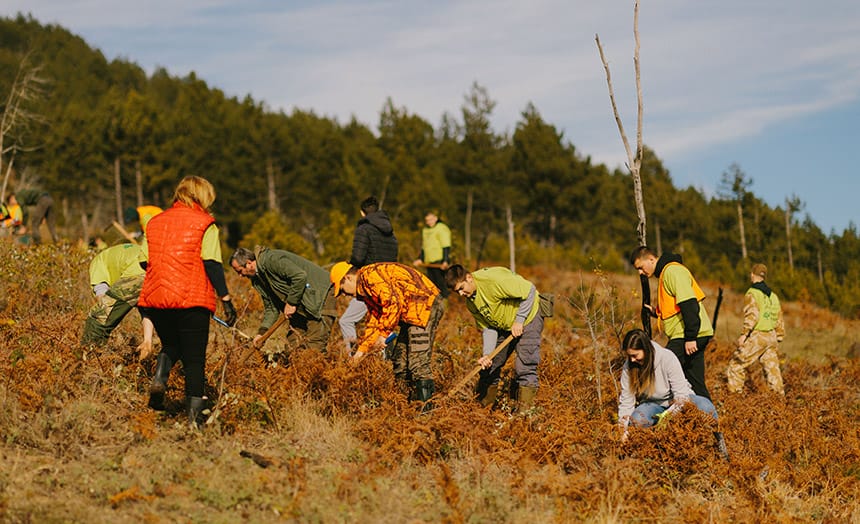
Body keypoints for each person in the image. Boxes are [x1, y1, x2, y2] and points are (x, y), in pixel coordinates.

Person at [138, 176, 236, 428]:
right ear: (202, 196)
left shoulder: (154, 222)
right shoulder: (206, 224)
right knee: (194, 361)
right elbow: (212, 264)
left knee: (172, 343)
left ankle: (160, 375)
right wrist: (226, 299)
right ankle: (195, 424)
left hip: (157, 299)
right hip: (192, 301)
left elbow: (144, 260)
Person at [330, 261, 443, 407]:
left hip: (424, 306)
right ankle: (405, 407)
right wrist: (359, 353)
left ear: (348, 278)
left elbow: (393, 303)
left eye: (343, 290)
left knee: (418, 363)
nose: (345, 295)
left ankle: (426, 413)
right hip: (411, 313)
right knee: (400, 363)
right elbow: (373, 322)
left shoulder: (370, 277)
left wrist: (383, 335)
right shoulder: (366, 290)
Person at [445, 264, 546, 412]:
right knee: (489, 366)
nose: (460, 294)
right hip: (504, 324)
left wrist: (519, 320)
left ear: (469, 278)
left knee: (524, 367)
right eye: (457, 292)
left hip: (529, 316)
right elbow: (488, 328)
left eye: (461, 288)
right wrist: (487, 354)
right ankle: (481, 413)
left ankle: (524, 418)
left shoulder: (493, 280)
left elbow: (529, 290)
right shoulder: (471, 302)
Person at [617, 329, 728, 458]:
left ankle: (719, 443)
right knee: (637, 420)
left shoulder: (667, 358)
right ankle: (642, 455)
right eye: (629, 356)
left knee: (706, 406)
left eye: (635, 355)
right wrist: (623, 430)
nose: (632, 360)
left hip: (677, 400)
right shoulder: (629, 367)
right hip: (651, 404)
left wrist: (666, 418)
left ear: (646, 349)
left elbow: (681, 396)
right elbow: (626, 400)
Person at [630, 246, 714, 400]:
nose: (640, 273)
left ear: (651, 259)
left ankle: (653, 409)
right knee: (695, 382)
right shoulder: (665, 275)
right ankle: (708, 418)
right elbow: (674, 307)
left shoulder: (672, 272)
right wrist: (655, 312)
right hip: (690, 333)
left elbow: (689, 303)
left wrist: (690, 337)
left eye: (640, 267)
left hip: (686, 335)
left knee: (661, 368)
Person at [230, 246, 336, 359]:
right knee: (293, 349)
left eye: (240, 271)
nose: (240, 276)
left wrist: (291, 302)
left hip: (320, 296)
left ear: (248, 263)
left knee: (314, 350)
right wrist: (262, 333)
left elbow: (299, 276)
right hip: (301, 306)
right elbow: (271, 308)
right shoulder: (257, 280)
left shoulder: (272, 260)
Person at [339, 196, 399, 353]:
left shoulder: (363, 229)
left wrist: (351, 266)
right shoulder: (391, 233)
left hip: (369, 285)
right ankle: (383, 362)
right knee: (381, 323)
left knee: (346, 320)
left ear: (362, 212)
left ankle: (352, 356)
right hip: (389, 285)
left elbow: (358, 258)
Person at [80, 243, 155, 358]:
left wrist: (114, 328)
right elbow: (146, 308)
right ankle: (148, 346)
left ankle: (88, 363)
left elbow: (103, 302)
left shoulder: (97, 262)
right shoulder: (126, 252)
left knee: (97, 318)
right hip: (155, 269)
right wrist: (147, 339)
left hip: (136, 273)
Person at [726, 263, 786, 395]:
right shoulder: (773, 296)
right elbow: (778, 317)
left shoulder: (752, 293)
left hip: (758, 336)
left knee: (735, 365)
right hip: (772, 337)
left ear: (752, 275)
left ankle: (735, 400)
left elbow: (753, 315)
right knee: (773, 372)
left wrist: (744, 334)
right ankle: (779, 404)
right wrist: (779, 335)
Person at [412, 211, 451, 299]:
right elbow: (424, 246)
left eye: (431, 219)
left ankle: (445, 304)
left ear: (435, 218)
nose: (429, 222)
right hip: (429, 262)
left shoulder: (442, 228)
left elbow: (446, 245)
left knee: (441, 284)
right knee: (432, 285)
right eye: (427, 220)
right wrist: (420, 259)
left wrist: (445, 260)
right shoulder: (425, 230)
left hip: (439, 262)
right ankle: (435, 304)